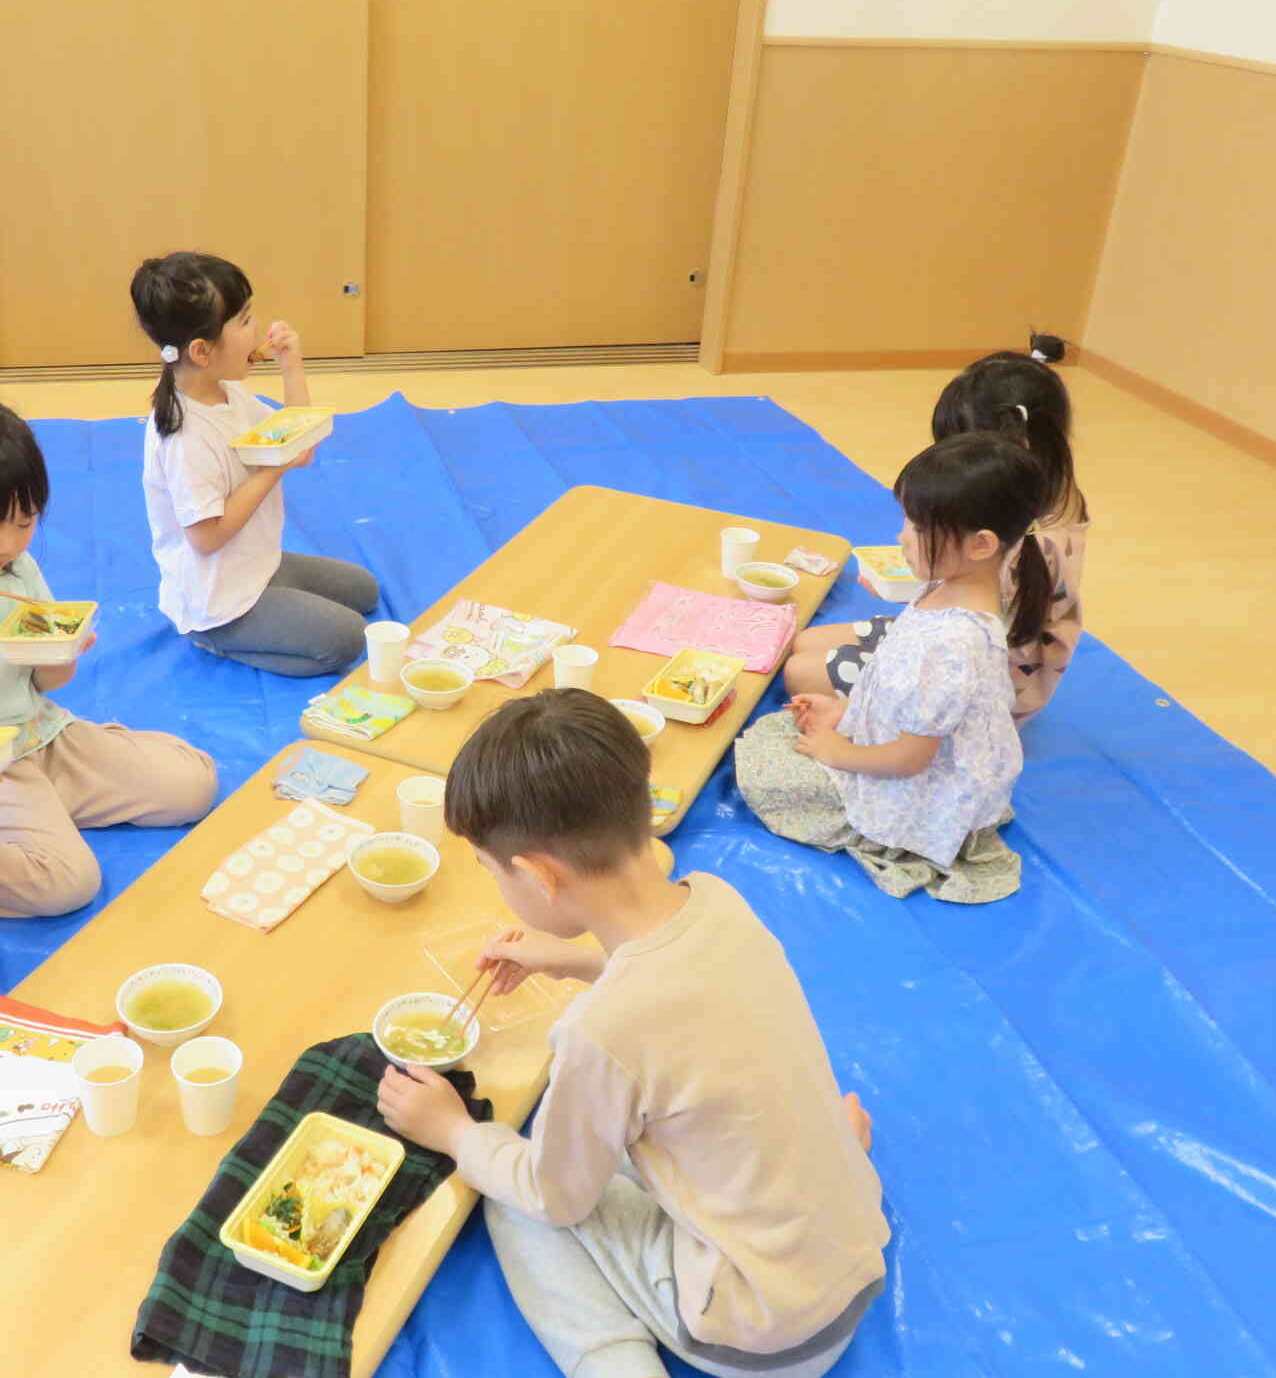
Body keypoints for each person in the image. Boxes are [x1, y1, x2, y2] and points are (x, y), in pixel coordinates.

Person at [376, 689, 888, 1378]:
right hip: (848, 1261)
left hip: (757, 1333)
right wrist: (572, 959)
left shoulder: (602, 1034)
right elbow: (677, 994)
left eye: (493, 873)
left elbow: (555, 1196)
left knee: (516, 1202)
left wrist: (453, 1132)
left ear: (535, 876)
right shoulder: (720, 902)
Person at [0, 398, 217, 917]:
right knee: (68, 881)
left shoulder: (17, 570)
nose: (7, 544)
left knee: (195, 782)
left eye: (25, 522)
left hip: (40, 736)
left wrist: (61, 653)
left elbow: (48, 684)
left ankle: (43, 814)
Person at [739, 433, 1047, 903]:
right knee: (784, 732)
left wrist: (838, 751)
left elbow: (910, 759)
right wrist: (848, 714)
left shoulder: (955, 644)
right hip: (911, 747)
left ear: (982, 545)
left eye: (920, 528)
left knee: (767, 771)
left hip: (919, 783)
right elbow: (900, 689)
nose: (902, 536)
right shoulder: (950, 586)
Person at [784, 351, 1088, 722]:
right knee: (800, 642)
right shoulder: (1041, 499)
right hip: (949, 637)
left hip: (975, 684)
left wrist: (854, 720)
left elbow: (937, 698)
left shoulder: (1015, 564)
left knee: (799, 672)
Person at [134, 251, 378, 676]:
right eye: (245, 321)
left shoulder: (226, 393)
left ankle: (269, 602)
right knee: (347, 639)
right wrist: (273, 470)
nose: (257, 330)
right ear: (201, 350)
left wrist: (291, 365)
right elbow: (206, 539)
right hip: (217, 599)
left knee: (365, 590)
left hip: (257, 564)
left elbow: (298, 433)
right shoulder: (184, 436)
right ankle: (213, 638)